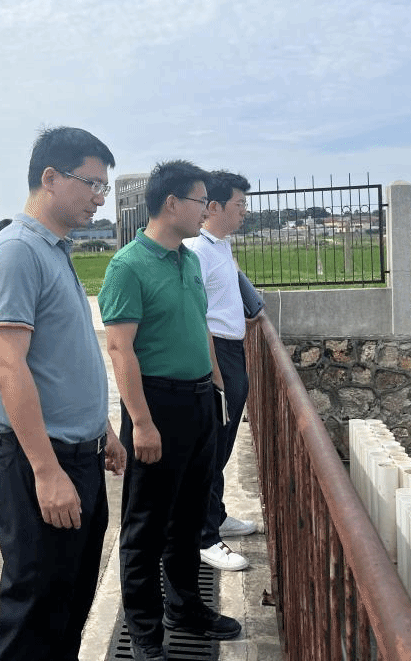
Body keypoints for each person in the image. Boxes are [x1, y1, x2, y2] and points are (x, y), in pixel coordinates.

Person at [0, 126, 127, 661]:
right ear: (49, 177)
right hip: (40, 459)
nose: (99, 197)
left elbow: (59, 357)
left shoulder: (54, 250)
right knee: (35, 615)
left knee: (68, 606)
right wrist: (46, 471)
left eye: (104, 187)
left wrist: (102, 429)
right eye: (92, 183)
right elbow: (9, 367)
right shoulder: (17, 252)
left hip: (78, 455)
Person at [98, 160, 243, 661]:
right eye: (201, 200)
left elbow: (200, 324)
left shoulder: (189, 260)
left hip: (200, 401)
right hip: (157, 405)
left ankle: (185, 609)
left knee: (188, 517)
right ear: (171, 203)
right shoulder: (128, 266)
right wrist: (141, 422)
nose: (207, 209)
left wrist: (217, 385)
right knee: (146, 526)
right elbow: (120, 349)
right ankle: (145, 633)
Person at [183, 170, 258, 572]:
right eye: (239, 204)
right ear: (213, 207)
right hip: (216, 354)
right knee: (211, 446)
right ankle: (204, 535)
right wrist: (214, 371)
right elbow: (196, 315)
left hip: (233, 349)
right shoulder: (197, 249)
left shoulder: (220, 247)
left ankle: (216, 515)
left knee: (223, 443)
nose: (244, 211)